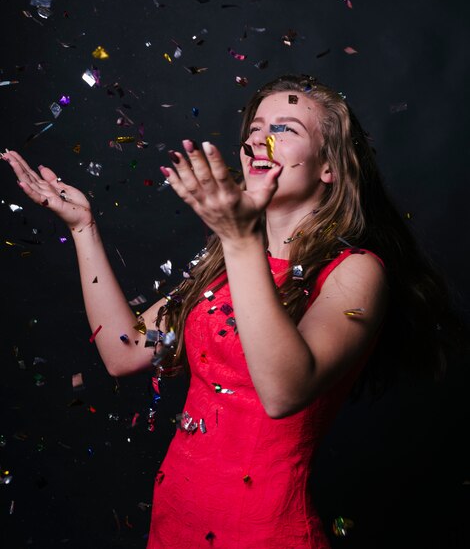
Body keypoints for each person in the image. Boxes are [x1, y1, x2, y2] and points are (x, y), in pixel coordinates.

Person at [2, 74, 464, 548]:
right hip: (173, 523)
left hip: (262, 533)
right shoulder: (227, 260)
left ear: (329, 166)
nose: (260, 140)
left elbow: (284, 393)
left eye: (285, 129)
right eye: (255, 127)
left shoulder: (357, 272)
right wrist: (83, 228)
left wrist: (239, 239)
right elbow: (126, 352)